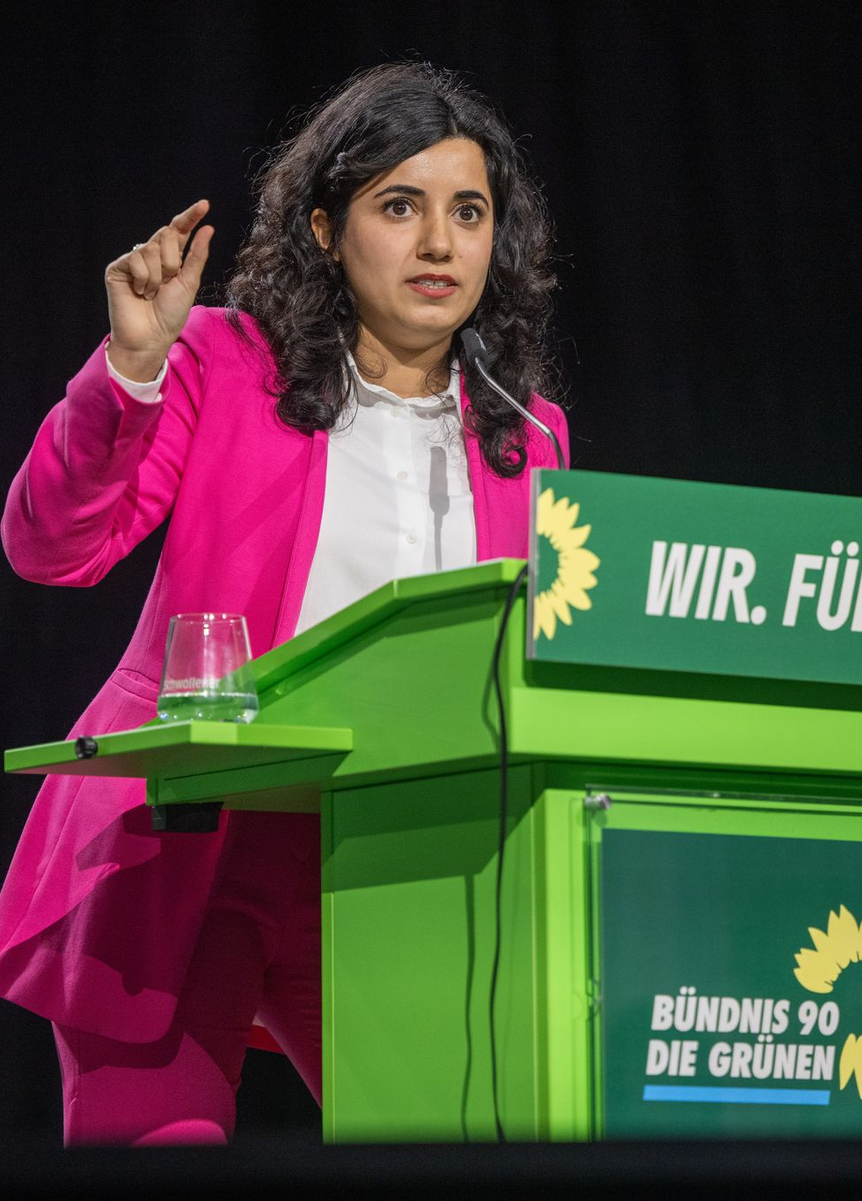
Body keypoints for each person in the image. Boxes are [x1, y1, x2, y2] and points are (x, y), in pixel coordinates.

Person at [0, 62, 567, 1146]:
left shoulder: (527, 434)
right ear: (324, 229)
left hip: (387, 864)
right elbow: (51, 546)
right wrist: (130, 370)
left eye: (468, 211)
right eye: (398, 207)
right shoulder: (222, 364)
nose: (439, 244)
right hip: (180, 850)